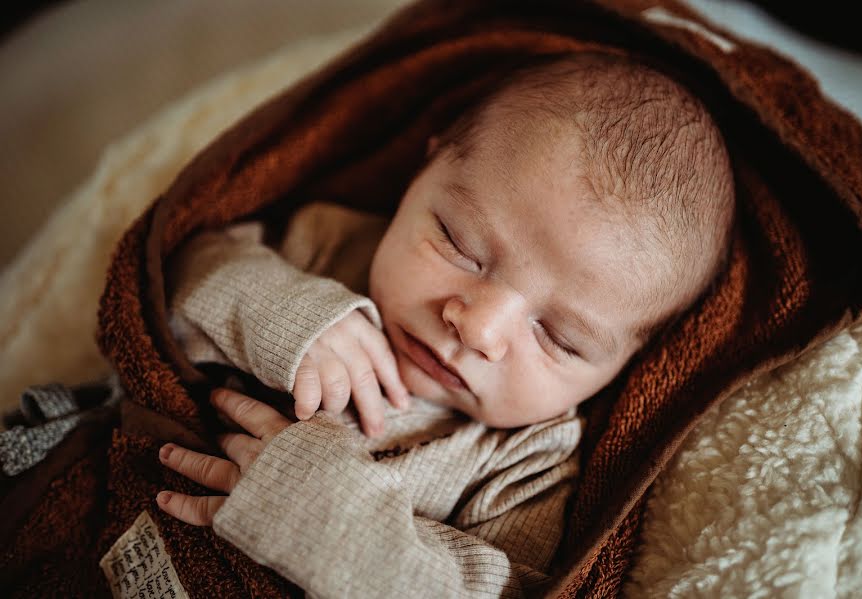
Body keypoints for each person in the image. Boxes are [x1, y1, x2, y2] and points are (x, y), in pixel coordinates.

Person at [154, 52, 735, 597]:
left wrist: (333, 524)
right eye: (461, 245)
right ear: (422, 169)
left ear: (626, 367)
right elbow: (186, 268)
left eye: (560, 338)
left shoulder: (528, 464)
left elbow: (504, 588)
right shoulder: (334, 247)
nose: (478, 329)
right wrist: (287, 315)